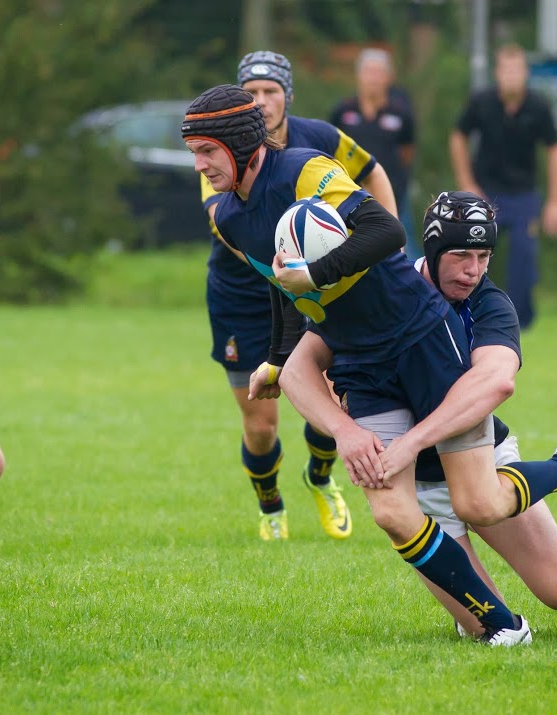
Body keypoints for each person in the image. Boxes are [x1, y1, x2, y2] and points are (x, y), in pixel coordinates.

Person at [184, 85, 557, 646]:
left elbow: (386, 232)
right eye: (194, 153)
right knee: (391, 512)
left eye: (207, 151)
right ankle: (503, 626)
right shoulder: (228, 217)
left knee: (478, 501)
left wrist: (316, 275)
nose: (199, 166)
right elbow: (282, 284)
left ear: (241, 144)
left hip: (419, 335)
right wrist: (277, 360)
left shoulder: (304, 170)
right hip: (359, 363)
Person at [287, 191, 557, 637]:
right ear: (433, 250)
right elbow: (299, 369)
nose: (474, 269)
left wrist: (411, 443)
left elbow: (496, 381)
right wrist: (344, 430)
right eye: (461, 255)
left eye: (484, 256)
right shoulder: (382, 289)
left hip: (484, 463)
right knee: (480, 626)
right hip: (420, 487)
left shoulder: (489, 303)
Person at [200, 50, 399, 542]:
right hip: (245, 294)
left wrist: (383, 248)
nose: (261, 101)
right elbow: (243, 240)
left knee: (330, 401)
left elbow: (372, 172)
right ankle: (270, 505)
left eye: (270, 91)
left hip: (311, 285)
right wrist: (294, 277)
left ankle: (321, 477)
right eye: (251, 93)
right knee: (261, 424)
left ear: (287, 95)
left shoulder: (317, 143)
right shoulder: (217, 158)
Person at [449, 43, 557, 330]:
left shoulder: (538, 106)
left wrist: (555, 201)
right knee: (471, 250)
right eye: (506, 70)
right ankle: (466, 311)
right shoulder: (482, 102)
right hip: (485, 193)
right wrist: (467, 183)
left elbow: (556, 149)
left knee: (524, 254)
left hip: (523, 195)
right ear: (497, 73)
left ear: (526, 73)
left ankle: (517, 321)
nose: (512, 76)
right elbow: (458, 137)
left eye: (517, 70)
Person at [328, 47, 419, 259]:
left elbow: (407, 152)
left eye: (378, 72)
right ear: (359, 75)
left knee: (401, 248)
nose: (373, 78)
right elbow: (331, 150)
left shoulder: (401, 113)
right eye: (368, 72)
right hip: (350, 195)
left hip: (393, 194)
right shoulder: (343, 111)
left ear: (389, 77)